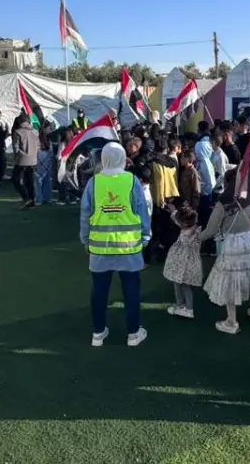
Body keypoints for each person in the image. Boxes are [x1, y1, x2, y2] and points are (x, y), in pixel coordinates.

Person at [81, 142, 152, 348]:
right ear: (123, 158)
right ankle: (133, 333)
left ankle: (98, 333)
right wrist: (145, 237)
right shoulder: (131, 181)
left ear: (103, 159)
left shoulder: (94, 182)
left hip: (100, 248)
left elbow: (85, 214)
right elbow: (142, 210)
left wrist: (85, 240)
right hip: (128, 247)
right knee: (131, 291)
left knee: (99, 291)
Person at [200, 170, 250, 335]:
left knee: (230, 281)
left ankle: (231, 321)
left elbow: (211, 230)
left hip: (233, 244)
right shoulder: (247, 198)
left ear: (227, 183)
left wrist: (196, 238)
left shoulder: (223, 204)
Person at [163, 205, 203, 318]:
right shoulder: (195, 229)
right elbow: (179, 220)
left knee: (177, 284)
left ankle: (180, 306)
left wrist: (174, 213)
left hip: (181, 264)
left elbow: (185, 240)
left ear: (185, 223)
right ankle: (188, 308)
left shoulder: (187, 234)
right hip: (190, 265)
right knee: (186, 286)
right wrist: (173, 212)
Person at [148, 139, 182, 261]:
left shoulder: (153, 163)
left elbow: (155, 181)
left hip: (158, 198)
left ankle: (160, 251)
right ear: (166, 149)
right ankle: (170, 250)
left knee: (159, 227)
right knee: (170, 225)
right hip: (172, 196)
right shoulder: (173, 161)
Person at [11, 115, 39, 209]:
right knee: (29, 181)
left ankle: (26, 198)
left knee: (15, 180)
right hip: (33, 160)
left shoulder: (18, 132)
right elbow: (38, 146)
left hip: (22, 160)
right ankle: (32, 200)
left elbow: (16, 148)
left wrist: (21, 155)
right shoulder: (35, 132)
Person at [194, 121, 217, 225]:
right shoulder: (201, 162)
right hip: (202, 192)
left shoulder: (205, 164)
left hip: (206, 194)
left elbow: (211, 182)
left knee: (205, 215)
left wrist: (205, 191)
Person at [35, 125, 56, 204]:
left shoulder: (49, 139)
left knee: (44, 181)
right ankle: (42, 198)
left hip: (45, 162)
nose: (50, 130)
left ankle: (45, 198)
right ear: (44, 129)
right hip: (41, 162)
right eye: (49, 128)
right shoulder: (39, 140)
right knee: (41, 181)